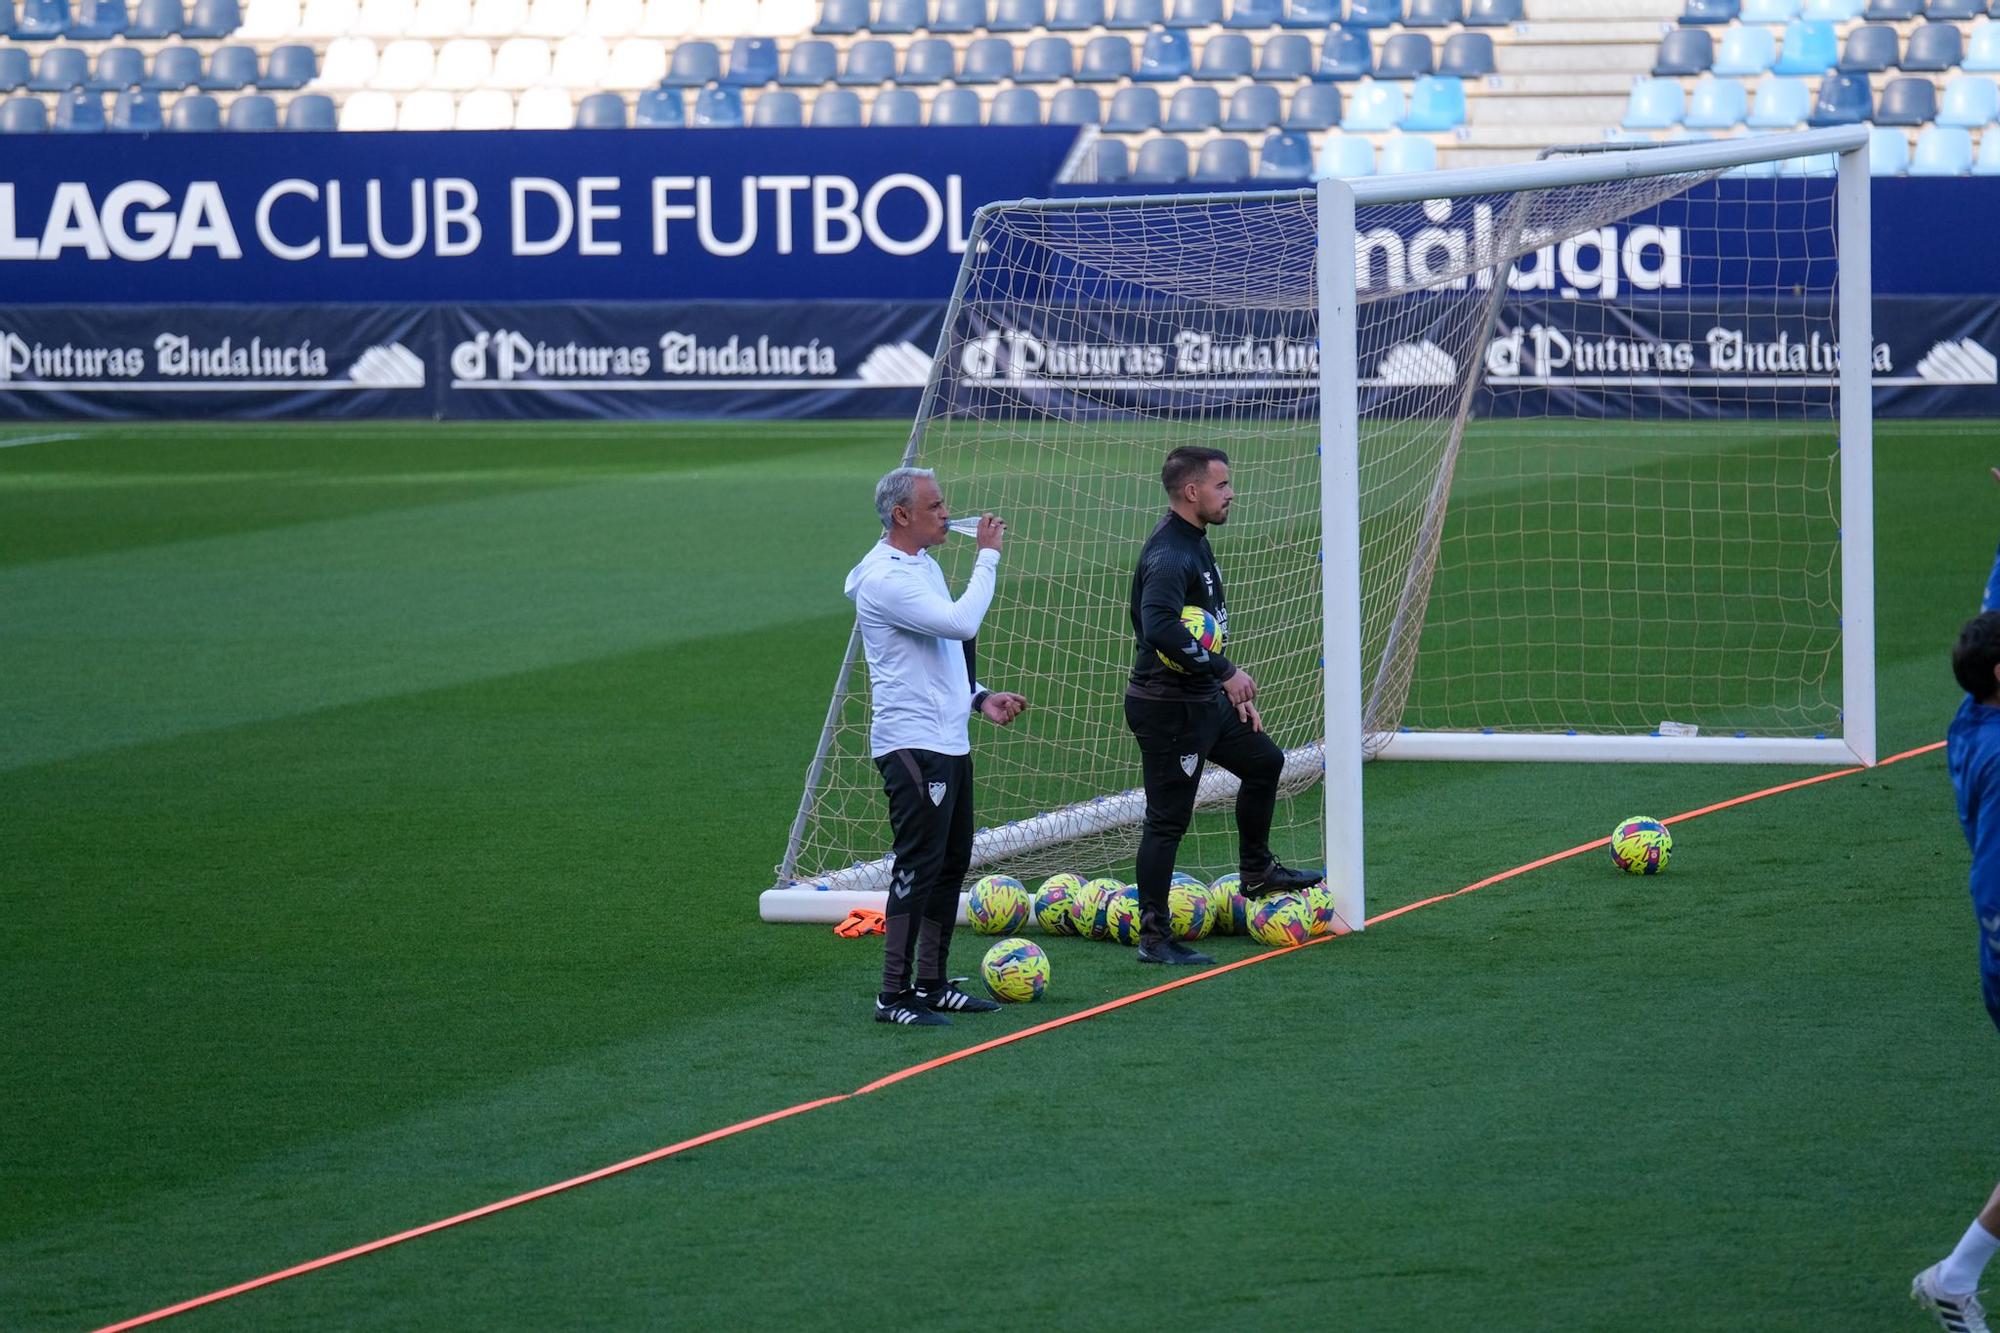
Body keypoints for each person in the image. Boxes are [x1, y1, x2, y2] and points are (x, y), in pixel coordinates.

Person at [846, 466, 1028, 1027]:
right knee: (918, 865)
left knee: (951, 862)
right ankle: (892, 994)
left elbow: (935, 658)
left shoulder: (920, 564)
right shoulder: (884, 579)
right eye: (935, 506)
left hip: (948, 737)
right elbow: (959, 622)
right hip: (913, 745)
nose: (947, 514)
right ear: (902, 515)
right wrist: (989, 556)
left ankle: (931, 983)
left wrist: (979, 697)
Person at [1123, 445, 1319, 967]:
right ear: (1192, 492)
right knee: (1167, 821)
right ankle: (1154, 937)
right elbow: (1160, 626)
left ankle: (1256, 871)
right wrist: (1226, 672)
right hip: (1167, 709)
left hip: (1199, 699)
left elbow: (1190, 630)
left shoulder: (1194, 541)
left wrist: (1219, 691)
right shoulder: (1169, 552)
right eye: (1222, 485)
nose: (1232, 494)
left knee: (1265, 762)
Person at [1917, 609, 2000, 1331]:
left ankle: (1956, 1274)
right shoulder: (1999, 756)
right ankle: (1954, 1274)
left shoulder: (1971, 715)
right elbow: (1996, 885)